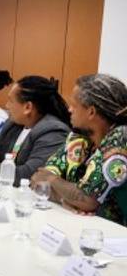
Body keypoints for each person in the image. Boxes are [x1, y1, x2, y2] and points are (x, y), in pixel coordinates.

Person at [32, 74, 127, 224]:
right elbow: (37, 180)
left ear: (91, 112)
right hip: (81, 224)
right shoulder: (79, 137)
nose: (69, 110)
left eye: (74, 105)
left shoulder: (121, 137)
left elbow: (88, 200)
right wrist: (65, 198)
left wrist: (51, 179)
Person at [0, 76, 70, 185]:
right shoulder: (13, 124)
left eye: (10, 101)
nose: (6, 106)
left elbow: (31, 175)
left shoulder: (53, 131)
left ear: (28, 107)